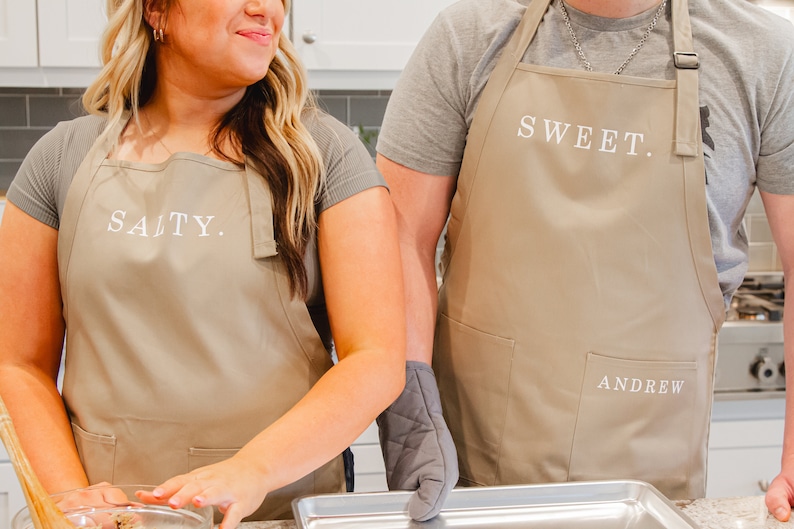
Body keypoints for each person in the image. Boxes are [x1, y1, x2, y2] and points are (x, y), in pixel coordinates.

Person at [374, 0, 794, 521]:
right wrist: (411, 417)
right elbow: (398, 238)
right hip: (475, 467)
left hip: (649, 480)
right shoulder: (469, 35)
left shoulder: (764, 55)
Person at [0, 0, 409, 527]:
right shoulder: (60, 160)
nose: (267, 10)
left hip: (274, 512)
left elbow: (375, 359)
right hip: (113, 521)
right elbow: (19, 363)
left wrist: (254, 469)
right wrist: (72, 500)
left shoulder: (324, 157)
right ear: (156, 10)